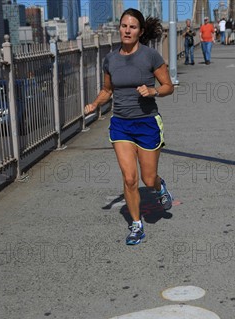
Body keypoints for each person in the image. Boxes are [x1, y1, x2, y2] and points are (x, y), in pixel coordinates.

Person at [84, 9, 174, 245]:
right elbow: (107, 90)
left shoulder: (150, 56)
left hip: (147, 123)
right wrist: (94, 104)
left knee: (148, 177)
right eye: (124, 26)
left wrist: (153, 90)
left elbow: (168, 86)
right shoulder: (110, 59)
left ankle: (160, 186)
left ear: (140, 31)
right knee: (130, 178)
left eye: (132, 27)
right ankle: (136, 225)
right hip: (121, 125)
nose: (127, 30)